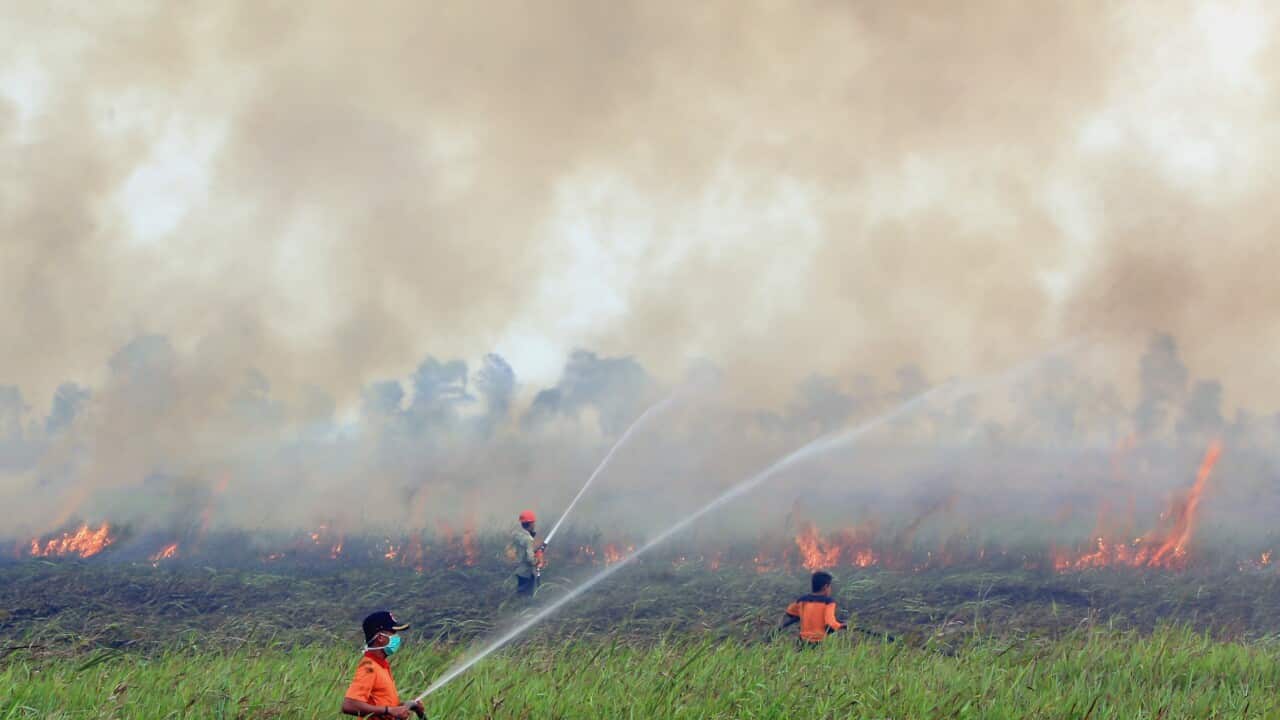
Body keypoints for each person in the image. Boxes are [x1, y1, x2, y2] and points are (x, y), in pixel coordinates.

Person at [341, 611, 425, 719]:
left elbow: (381, 706)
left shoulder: (381, 665)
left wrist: (405, 707)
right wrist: (389, 710)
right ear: (380, 638)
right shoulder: (369, 666)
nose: (397, 638)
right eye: (393, 633)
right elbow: (349, 705)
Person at [781, 571, 845, 643]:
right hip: (819, 641)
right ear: (825, 587)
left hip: (803, 640)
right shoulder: (829, 602)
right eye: (830, 586)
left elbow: (790, 611)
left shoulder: (802, 600)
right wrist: (841, 626)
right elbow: (830, 623)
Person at [509, 509, 545, 596]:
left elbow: (522, 548)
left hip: (519, 570)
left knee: (521, 591)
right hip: (527, 572)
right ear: (530, 524)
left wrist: (534, 549)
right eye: (533, 522)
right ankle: (523, 607)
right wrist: (538, 561)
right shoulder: (528, 539)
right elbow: (530, 559)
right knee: (526, 595)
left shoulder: (516, 534)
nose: (534, 524)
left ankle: (516, 606)